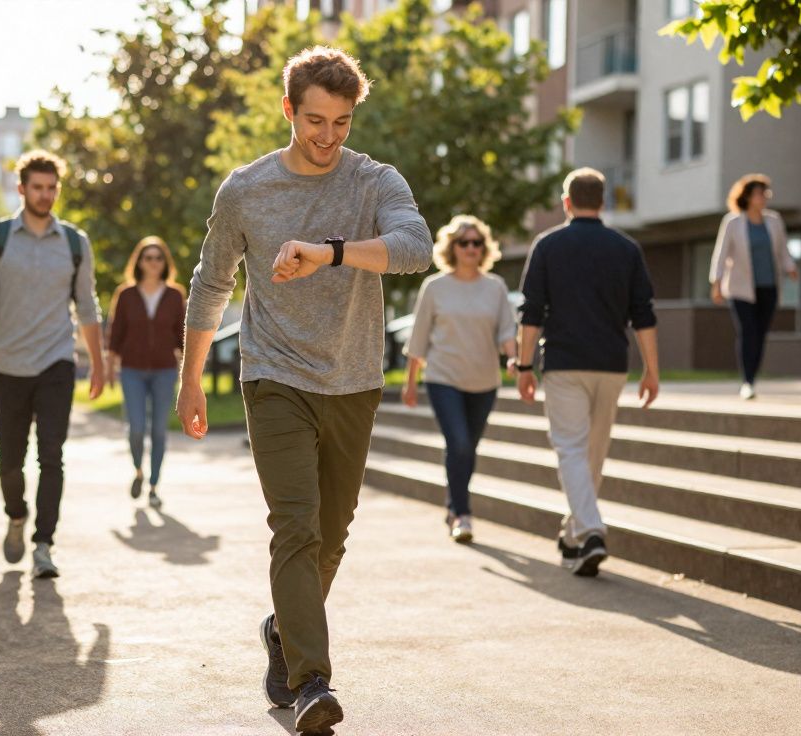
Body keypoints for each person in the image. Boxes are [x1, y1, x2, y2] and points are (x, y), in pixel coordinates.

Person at [177, 46, 431, 734]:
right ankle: (311, 681)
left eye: (341, 122)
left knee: (332, 536)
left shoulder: (374, 181)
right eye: (314, 120)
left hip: (352, 379)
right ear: (289, 110)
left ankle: (285, 631)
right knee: (295, 525)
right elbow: (211, 282)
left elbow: (415, 247)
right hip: (274, 375)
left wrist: (331, 250)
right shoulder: (246, 190)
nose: (327, 136)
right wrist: (191, 378)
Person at [0, 149, 105, 579]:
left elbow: (87, 305)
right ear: (21, 189)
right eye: (37, 188)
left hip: (56, 362)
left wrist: (97, 363)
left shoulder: (76, 243)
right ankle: (16, 515)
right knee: (9, 458)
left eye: (51, 188)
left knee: (52, 456)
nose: (45, 195)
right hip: (7, 362)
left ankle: (44, 544)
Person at [516, 167, 660, 578]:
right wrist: (652, 370)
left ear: (566, 202)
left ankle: (591, 530)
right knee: (592, 454)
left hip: (564, 365)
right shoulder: (626, 248)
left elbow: (531, 312)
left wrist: (524, 366)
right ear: (603, 202)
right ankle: (575, 535)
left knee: (573, 451)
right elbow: (643, 315)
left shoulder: (547, 245)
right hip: (612, 365)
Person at [402, 215, 517, 543]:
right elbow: (419, 338)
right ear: (452, 247)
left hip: (484, 380)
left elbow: (507, 330)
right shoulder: (435, 287)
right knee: (460, 443)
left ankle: (454, 506)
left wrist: (512, 358)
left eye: (476, 242)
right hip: (443, 377)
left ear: (484, 248)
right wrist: (411, 383)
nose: (470, 248)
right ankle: (463, 515)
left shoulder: (494, 287)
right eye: (463, 242)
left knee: (468, 448)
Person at [106, 236, 186, 510]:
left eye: (158, 258)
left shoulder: (175, 295)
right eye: (148, 257)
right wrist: (107, 367)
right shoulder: (126, 294)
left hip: (165, 370)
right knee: (137, 428)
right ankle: (138, 470)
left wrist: (191, 370)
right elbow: (115, 335)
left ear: (165, 263)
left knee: (159, 430)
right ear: (139, 262)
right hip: (132, 371)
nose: (153, 262)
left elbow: (182, 336)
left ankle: (153, 486)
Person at [710, 174, 799, 400]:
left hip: (768, 286)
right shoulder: (733, 222)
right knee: (748, 332)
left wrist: (791, 268)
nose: (764, 198)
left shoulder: (774, 220)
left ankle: (752, 377)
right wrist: (717, 283)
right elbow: (721, 255)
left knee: (760, 334)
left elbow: (782, 251)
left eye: (765, 193)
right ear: (748, 197)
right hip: (741, 289)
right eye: (759, 193)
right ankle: (747, 381)